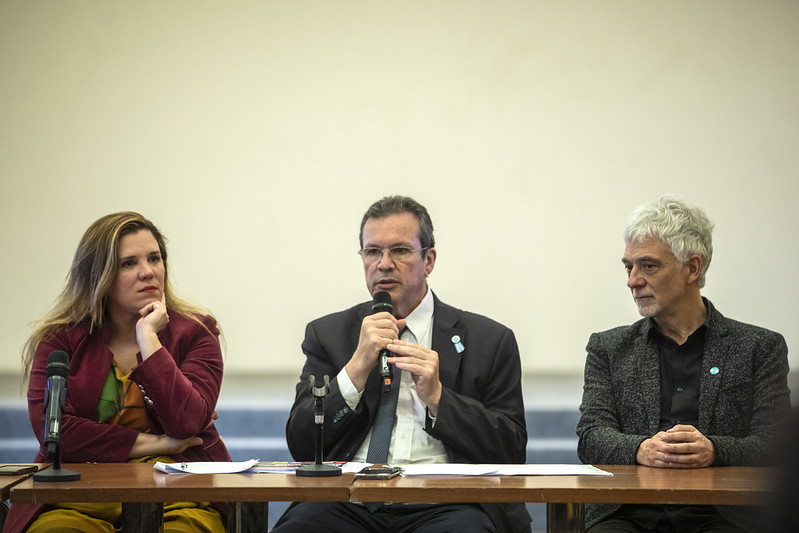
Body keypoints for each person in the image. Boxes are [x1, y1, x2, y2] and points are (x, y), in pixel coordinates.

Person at [273, 196, 531, 533]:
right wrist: (354, 371)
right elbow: (302, 442)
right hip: (345, 503)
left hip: (448, 504)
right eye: (372, 251)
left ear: (429, 259)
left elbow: (511, 450)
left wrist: (439, 399)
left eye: (400, 250)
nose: (383, 264)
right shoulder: (329, 334)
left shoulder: (490, 340)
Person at [4, 212, 230, 533]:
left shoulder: (196, 332)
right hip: (78, 490)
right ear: (99, 276)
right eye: (128, 263)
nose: (148, 271)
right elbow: (57, 435)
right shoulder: (60, 342)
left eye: (155, 258)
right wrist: (161, 442)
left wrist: (149, 339)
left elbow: (187, 422)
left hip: (180, 490)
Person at [576, 196, 791, 532]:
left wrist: (714, 450)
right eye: (628, 266)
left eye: (648, 266)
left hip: (723, 514)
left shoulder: (758, 348)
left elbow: (773, 445)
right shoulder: (609, 348)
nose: (632, 281)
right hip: (626, 513)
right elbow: (591, 437)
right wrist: (641, 449)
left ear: (693, 268)